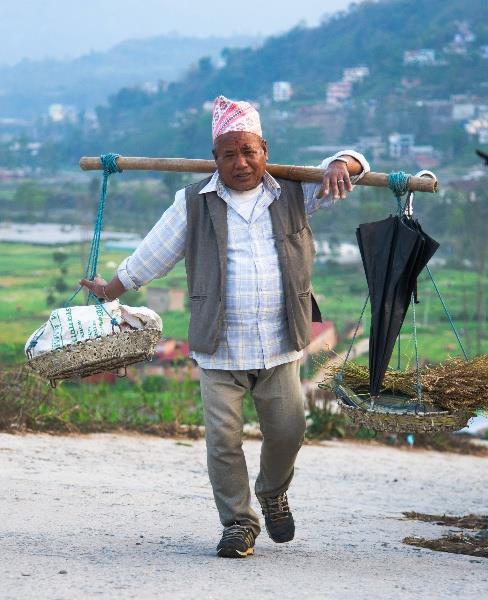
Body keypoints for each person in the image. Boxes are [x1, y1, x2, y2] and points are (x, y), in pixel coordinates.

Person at [81, 96, 369, 558]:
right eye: (229, 153)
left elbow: (357, 161)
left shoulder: (294, 191)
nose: (240, 163)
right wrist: (111, 289)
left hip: (280, 344)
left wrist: (341, 163)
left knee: (289, 431)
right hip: (220, 347)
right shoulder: (193, 203)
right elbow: (153, 253)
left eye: (248, 151)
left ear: (264, 150)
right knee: (222, 440)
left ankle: (273, 492)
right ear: (215, 157)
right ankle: (238, 523)